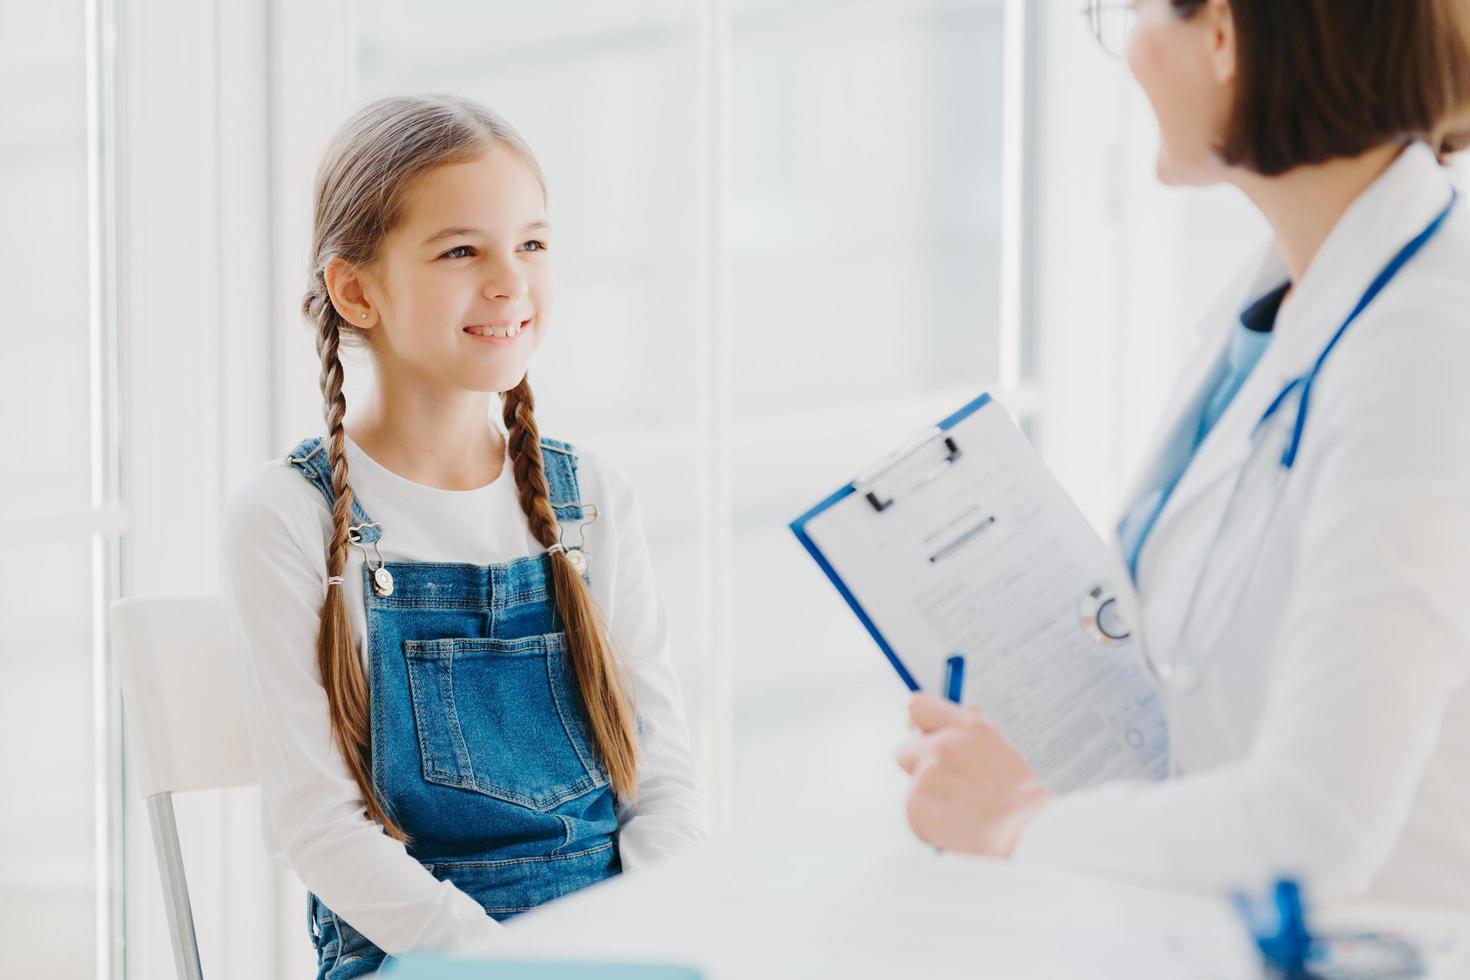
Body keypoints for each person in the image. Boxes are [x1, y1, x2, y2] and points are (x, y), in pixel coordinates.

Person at [896, 0, 1470, 907]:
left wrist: (1016, 821)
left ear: (1223, 35)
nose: (1126, 54)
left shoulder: (1428, 348)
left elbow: (1315, 827)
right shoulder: (1280, 298)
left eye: (1130, 13)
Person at [220, 95, 704, 977]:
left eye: (532, 244)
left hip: (617, 944)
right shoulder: (287, 519)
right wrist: (512, 968)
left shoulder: (590, 497)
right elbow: (323, 833)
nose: (510, 281)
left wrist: (640, 944)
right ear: (356, 290)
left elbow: (662, 780)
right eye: (460, 251)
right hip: (411, 953)